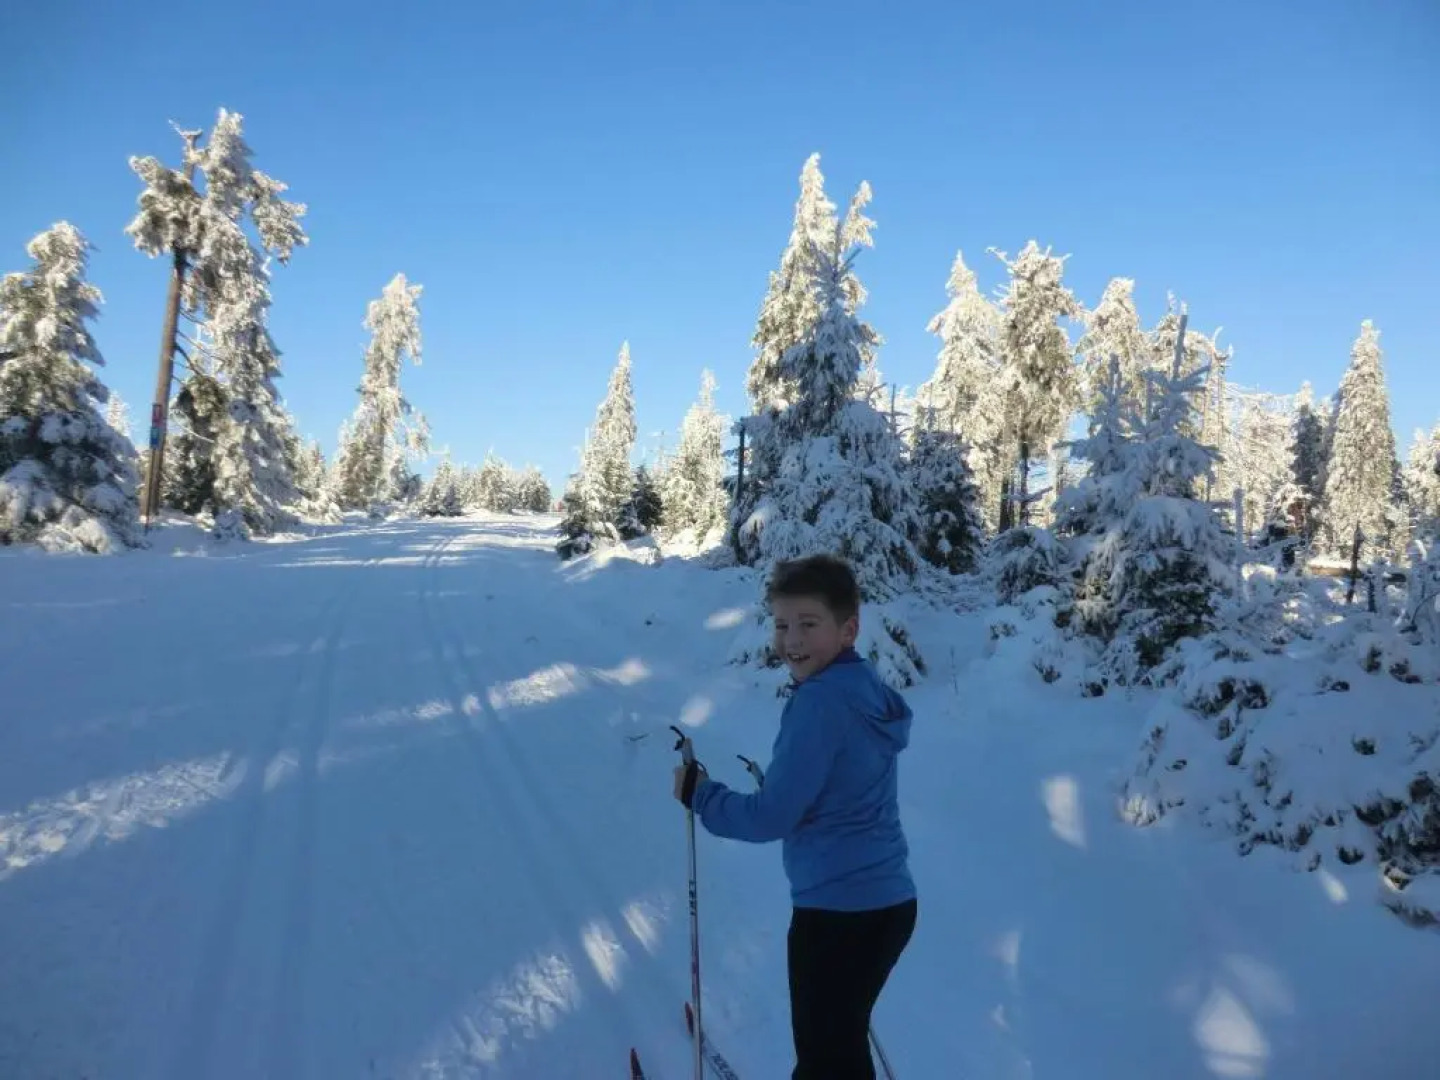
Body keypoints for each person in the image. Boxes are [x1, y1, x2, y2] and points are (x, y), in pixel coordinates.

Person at [672, 553, 917, 1080]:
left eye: (808, 624)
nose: (791, 640)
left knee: (828, 1057)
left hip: (837, 915)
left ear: (848, 629)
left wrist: (702, 795)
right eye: (782, 624)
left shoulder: (820, 703)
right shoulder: (864, 690)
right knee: (840, 1045)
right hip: (889, 905)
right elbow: (841, 784)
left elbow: (769, 819)